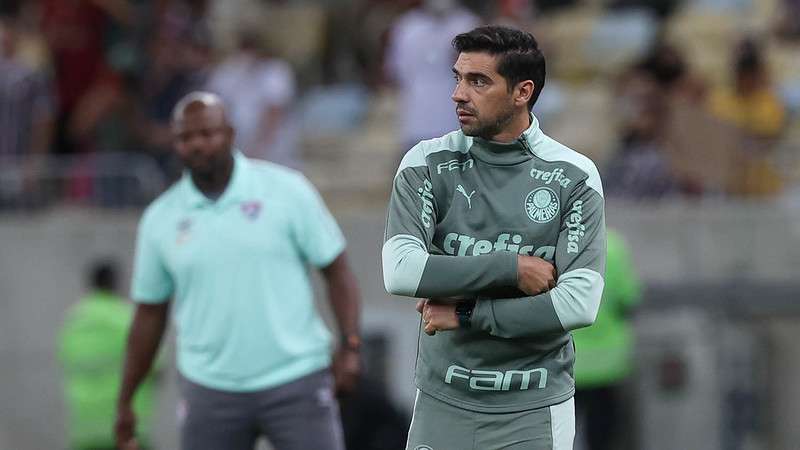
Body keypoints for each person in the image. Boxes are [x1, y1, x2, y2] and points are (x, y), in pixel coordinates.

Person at [382, 25, 606, 450]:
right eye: (458, 78)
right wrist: (510, 268)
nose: (458, 94)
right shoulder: (425, 163)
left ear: (522, 92)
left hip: (533, 409)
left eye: (478, 81)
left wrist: (467, 313)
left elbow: (578, 302)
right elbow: (401, 272)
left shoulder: (574, 175)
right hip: (442, 403)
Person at [115, 91, 362, 450]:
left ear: (230, 133)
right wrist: (127, 399)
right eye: (186, 137)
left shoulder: (287, 190)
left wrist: (351, 345)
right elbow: (149, 314)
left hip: (296, 378)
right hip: (210, 388)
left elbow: (337, 271)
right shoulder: (160, 218)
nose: (198, 144)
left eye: (207, 133)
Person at [59, 260, 158, 450]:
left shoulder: (73, 322)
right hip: (128, 427)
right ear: (116, 283)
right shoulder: (127, 317)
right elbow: (156, 365)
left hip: (84, 429)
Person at [572, 230, 641, 450]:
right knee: (602, 434)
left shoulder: (562, 247)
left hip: (567, 362)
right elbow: (629, 298)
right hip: (607, 364)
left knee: (563, 433)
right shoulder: (614, 246)